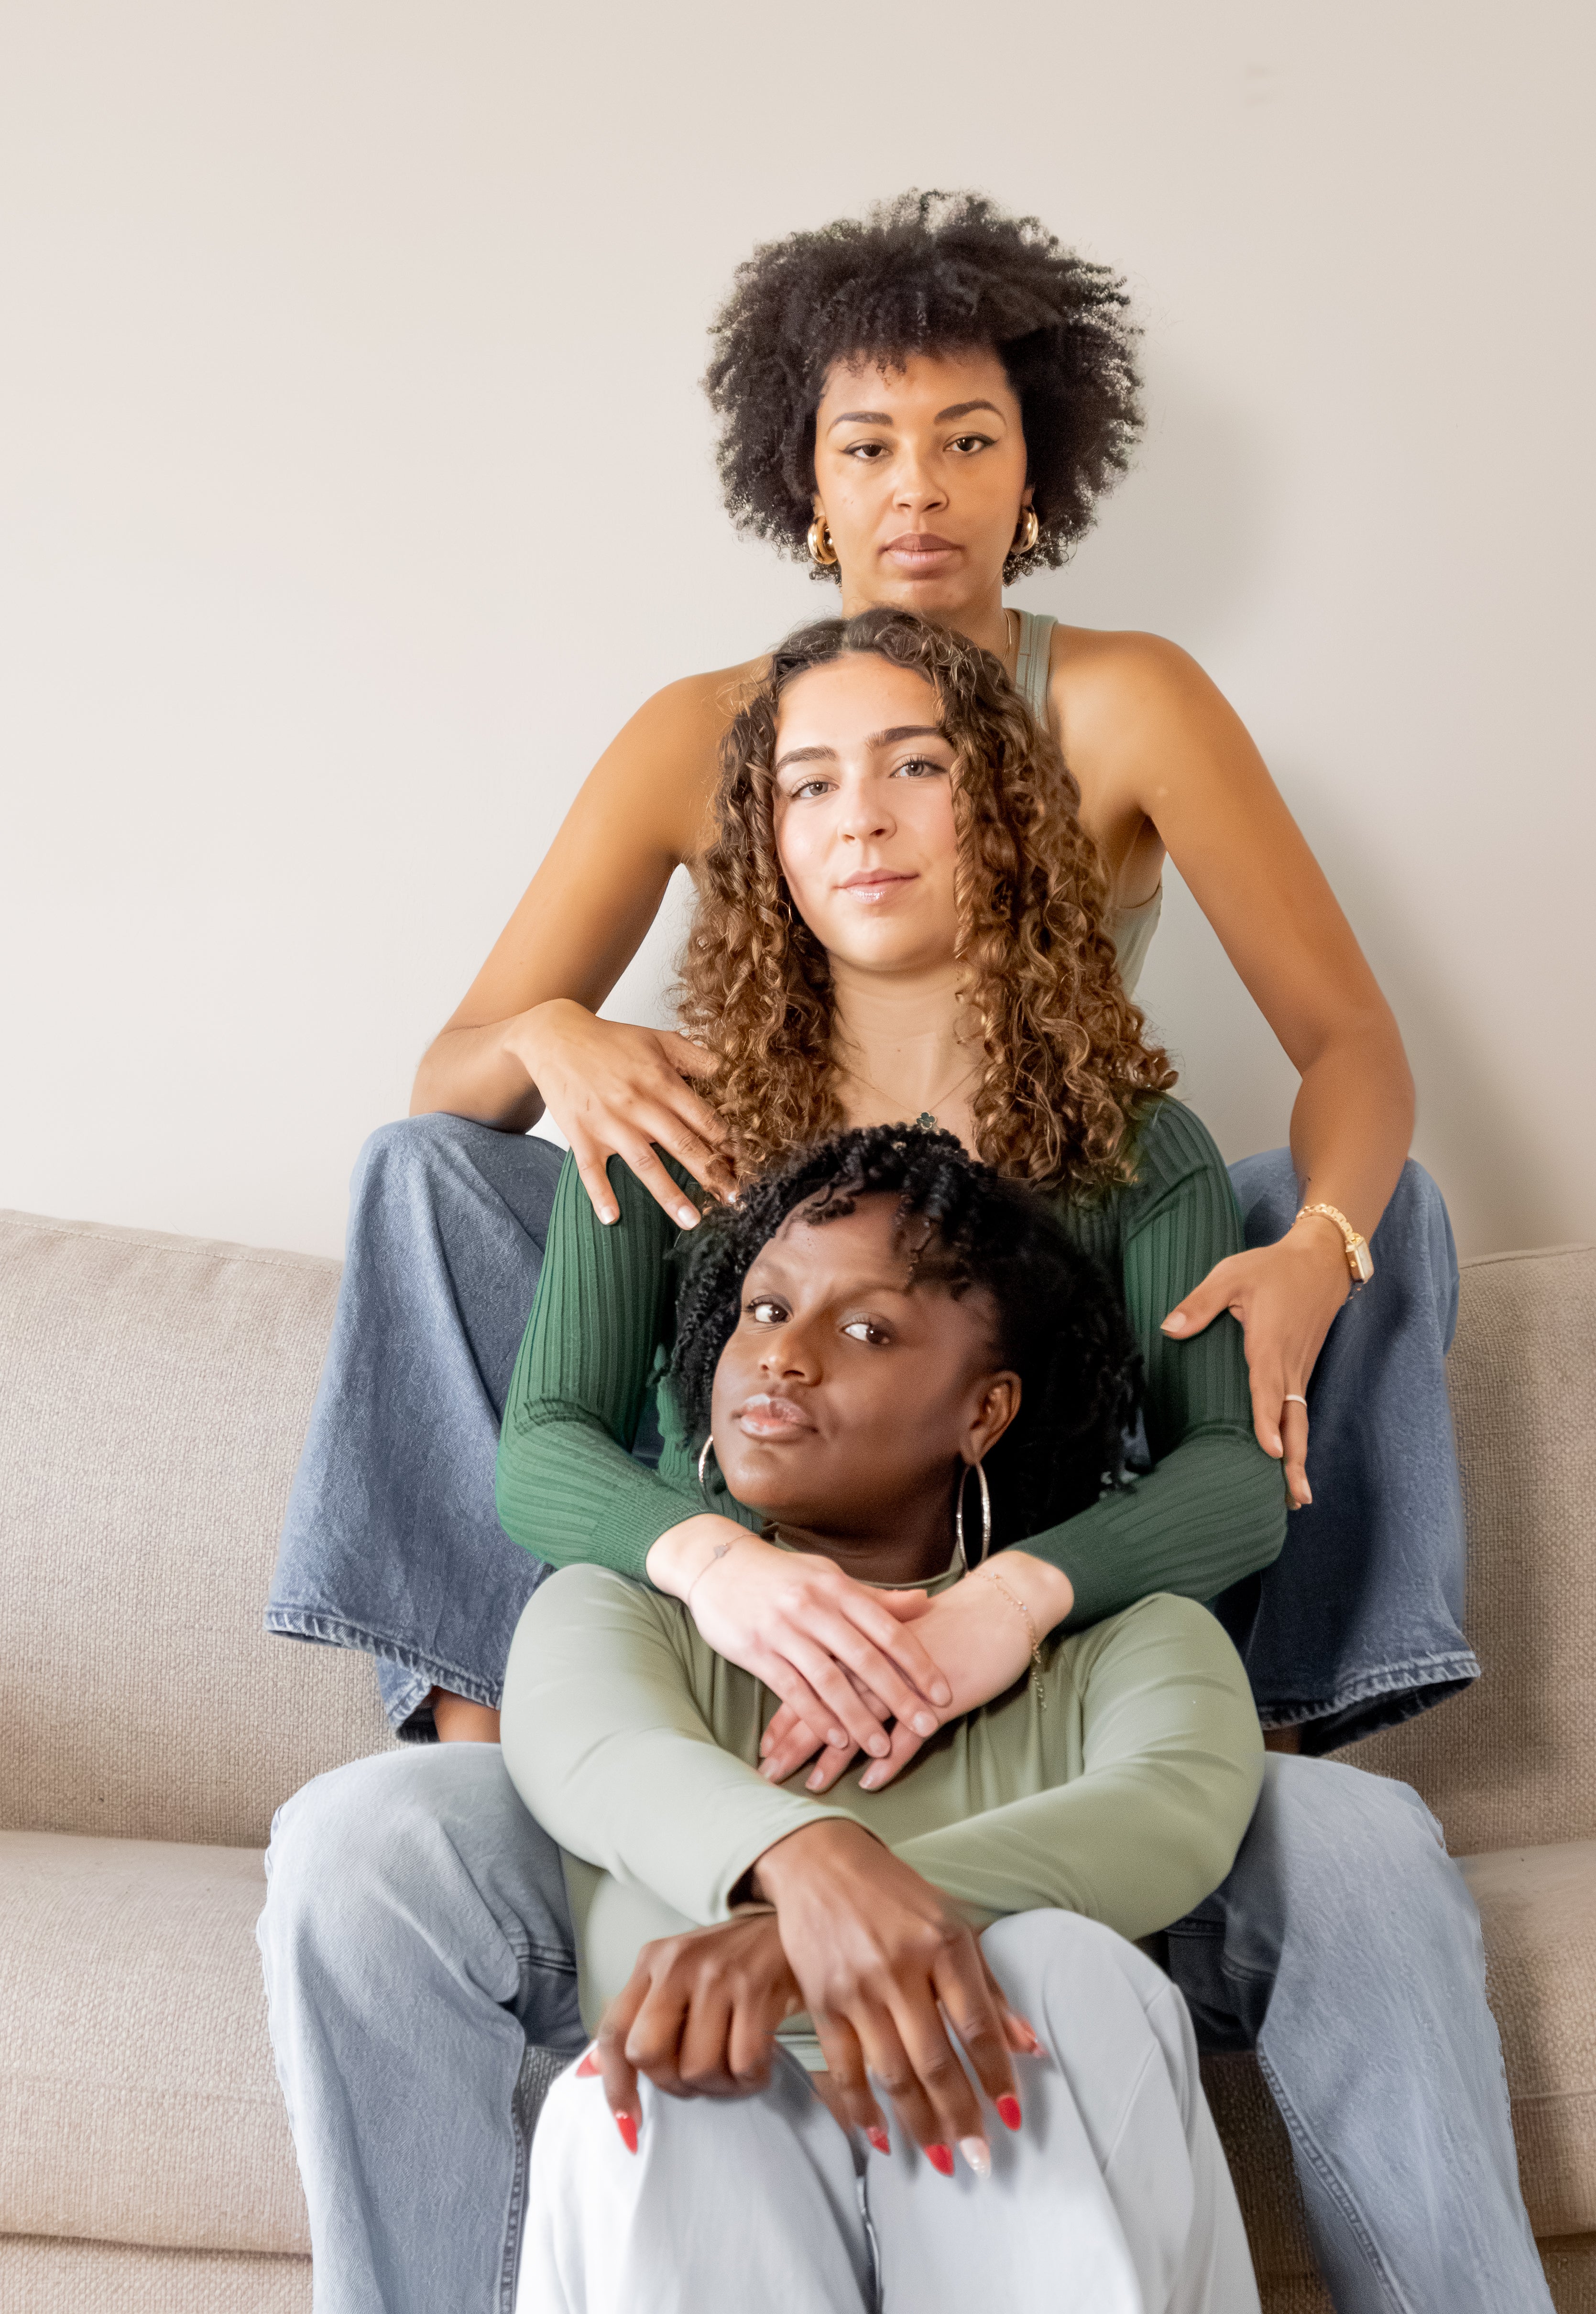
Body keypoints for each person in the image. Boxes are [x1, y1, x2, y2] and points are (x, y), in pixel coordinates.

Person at [258, 611, 1552, 2314]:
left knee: (1369, 1849)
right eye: (806, 788)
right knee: (356, 1845)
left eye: (915, 769)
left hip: (1014, 1702)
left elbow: (1229, 1483)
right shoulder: (671, 1116)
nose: (855, 818)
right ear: (760, 844)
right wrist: (720, 1563)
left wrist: (1012, 1603)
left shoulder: (1133, 1145)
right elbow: (546, 1456)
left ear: (1006, 808)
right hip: (714, 1698)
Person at [266, 190, 1471, 1759]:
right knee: (421, 1170)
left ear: (1039, 474)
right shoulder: (697, 735)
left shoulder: (1132, 702)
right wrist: (559, 1034)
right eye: (867, 448)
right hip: (795, 1242)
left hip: (1058, 1250)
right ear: (805, 488)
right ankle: (481, 1738)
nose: (920, 490)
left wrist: (1320, 1242)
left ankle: (1284, 1736)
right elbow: (453, 1082)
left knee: (1391, 1218)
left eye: (968, 441)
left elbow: (1351, 1041)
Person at [503, 1125, 1265, 2314]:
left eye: (865, 1330)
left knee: (1066, 1965)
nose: (784, 1357)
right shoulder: (622, 1610)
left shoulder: (1127, 1639)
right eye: (763, 1310)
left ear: (986, 1409)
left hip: (1014, 2158)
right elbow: (599, 1753)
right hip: (725, 2172)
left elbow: (1174, 1804)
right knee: (636, 2094)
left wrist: (799, 1934)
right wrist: (806, 1865)